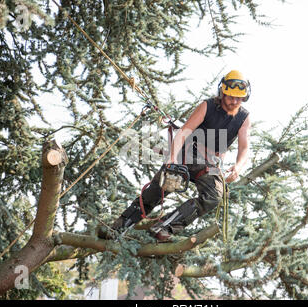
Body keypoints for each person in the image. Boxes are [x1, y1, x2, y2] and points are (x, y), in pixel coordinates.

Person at [97, 70, 251, 241]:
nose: (234, 101)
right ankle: (119, 227)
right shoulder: (207, 106)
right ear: (222, 92)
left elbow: (244, 148)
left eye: (239, 98)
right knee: (159, 188)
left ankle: (164, 227)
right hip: (187, 153)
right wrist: (172, 159)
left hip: (210, 164)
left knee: (214, 196)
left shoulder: (244, 118)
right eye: (231, 97)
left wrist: (238, 167)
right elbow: (184, 132)